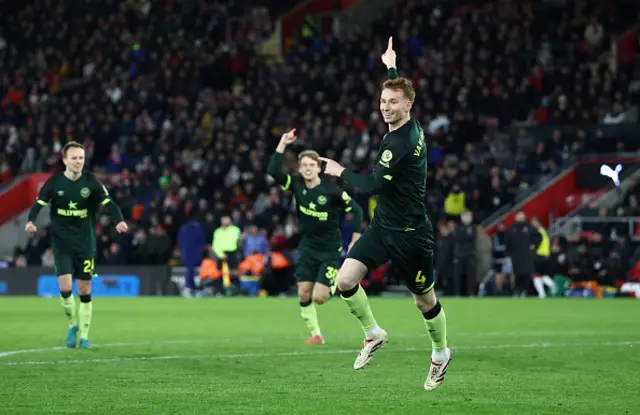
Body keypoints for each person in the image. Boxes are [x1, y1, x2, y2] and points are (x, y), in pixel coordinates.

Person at [319, 37, 451, 391]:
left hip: (411, 235)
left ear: (408, 105)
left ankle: (440, 353)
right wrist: (390, 66)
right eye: (382, 101)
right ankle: (373, 333)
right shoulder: (409, 122)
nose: (386, 107)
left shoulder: (400, 143)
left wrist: (338, 170)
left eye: (393, 102)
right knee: (345, 281)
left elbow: (373, 184)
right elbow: (399, 88)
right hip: (384, 226)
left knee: (424, 300)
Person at [25, 141, 128, 349]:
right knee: (64, 287)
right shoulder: (55, 182)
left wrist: (119, 220)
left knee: (84, 288)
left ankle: (85, 336)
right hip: (62, 243)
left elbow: (110, 203)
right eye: (74, 158)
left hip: (85, 243)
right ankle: (73, 325)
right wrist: (30, 221)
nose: (78, 162)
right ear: (65, 160)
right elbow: (39, 203)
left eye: (81, 158)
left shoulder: (91, 182)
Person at [267, 131, 363, 345]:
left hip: (329, 249)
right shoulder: (297, 186)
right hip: (308, 247)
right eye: (304, 166)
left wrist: (355, 237)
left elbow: (357, 211)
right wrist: (282, 143)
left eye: (312, 165)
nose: (308, 169)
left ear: (318, 168)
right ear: (300, 169)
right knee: (303, 293)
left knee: (319, 298)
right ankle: (316, 335)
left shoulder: (331, 191)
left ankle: (332, 282)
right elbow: (273, 170)